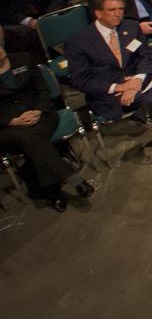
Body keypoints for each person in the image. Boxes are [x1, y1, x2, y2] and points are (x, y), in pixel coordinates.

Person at [65, 0, 152, 162]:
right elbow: (80, 80)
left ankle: (145, 107)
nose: (118, 14)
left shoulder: (131, 27)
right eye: (112, 10)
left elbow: (146, 56)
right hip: (111, 91)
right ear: (98, 13)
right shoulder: (78, 41)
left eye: (121, 9)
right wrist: (118, 87)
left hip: (136, 78)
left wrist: (137, 80)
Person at [1, 31, 95, 210]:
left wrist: (37, 109)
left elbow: (43, 89)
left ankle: (52, 192)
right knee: (29, 138)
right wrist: (12, 121)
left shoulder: (23, 58)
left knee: (32, 139)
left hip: (41, 114)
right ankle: (72, 179)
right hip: (9, 127)